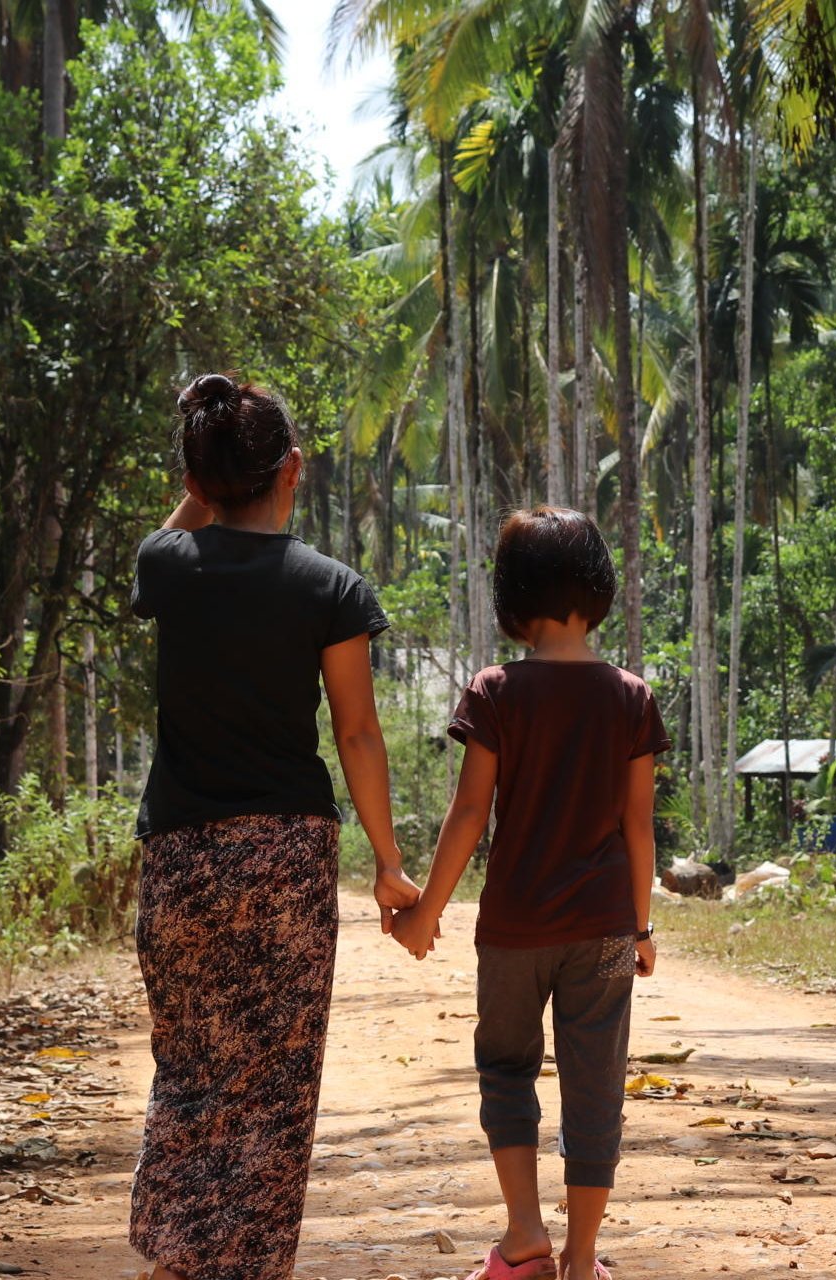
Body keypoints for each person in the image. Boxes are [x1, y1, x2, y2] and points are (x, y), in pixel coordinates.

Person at [126, 373, 421, 1280]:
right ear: (294, 470)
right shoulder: (328, 588)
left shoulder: (168, 565)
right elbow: (357, 732)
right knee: (273, 1087)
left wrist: (204, 488)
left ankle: (176, 1259)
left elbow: (168, 538)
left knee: (188, 1064)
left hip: (180, 858)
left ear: (201, 478)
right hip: (286, 863)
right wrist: (388, 862)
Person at [393, 506, 667, 1280]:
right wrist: (640, 926)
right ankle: (582, 1260)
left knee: (506, 1069)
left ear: (513, 597)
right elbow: (638, 828)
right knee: (596, 1085)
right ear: (598, 589)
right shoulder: (630, 697)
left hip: (513, 928)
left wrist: (425, 912)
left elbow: (471, 813)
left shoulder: (496, 690)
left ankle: (524, 1236)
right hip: (606, 927)